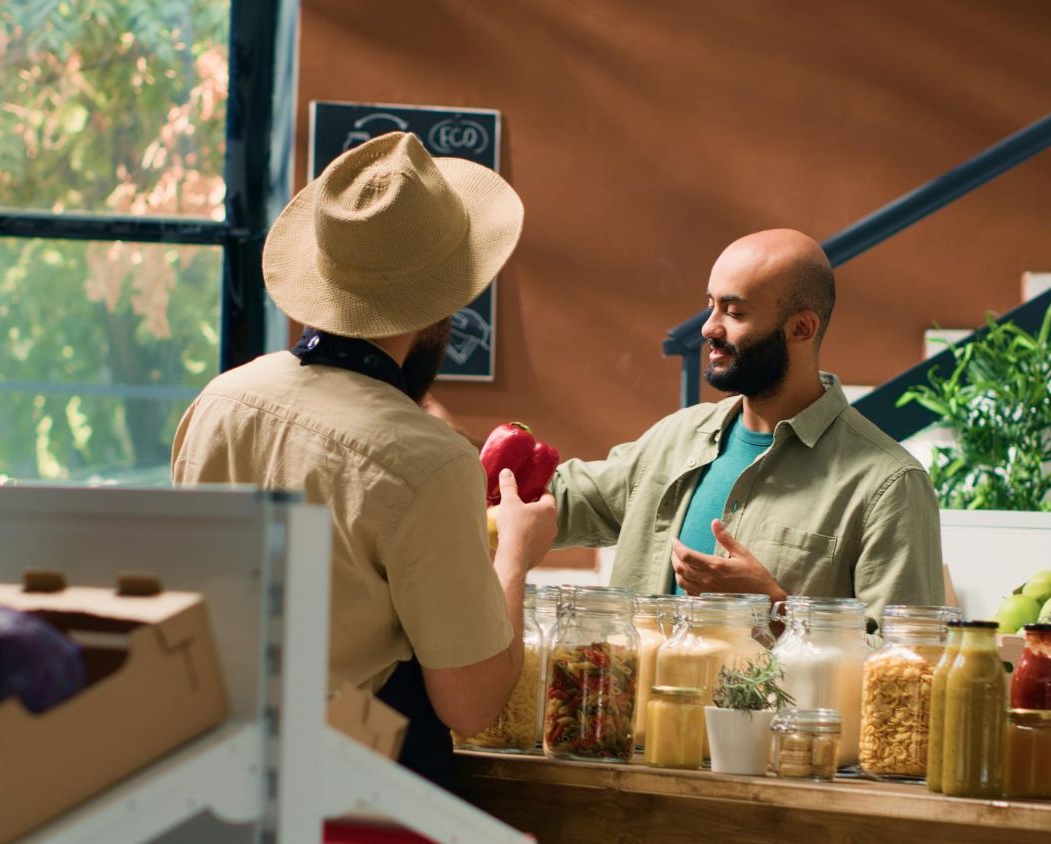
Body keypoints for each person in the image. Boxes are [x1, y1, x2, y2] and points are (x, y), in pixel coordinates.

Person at [170, 132, 558, 786]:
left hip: (214, 769)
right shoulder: (427, 461)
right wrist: (516, 549)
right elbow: (471, 704)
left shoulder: (220, 401)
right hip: (350, 791)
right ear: (446, 305)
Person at [550, 229, 943, 621]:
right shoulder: (676, 437)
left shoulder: (889, 485)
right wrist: (492, 469)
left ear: (801, 328)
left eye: (735, 312)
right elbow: (558, 500)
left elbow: (906, 666)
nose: (709, 328)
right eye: (711, 306)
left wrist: (773, 610)